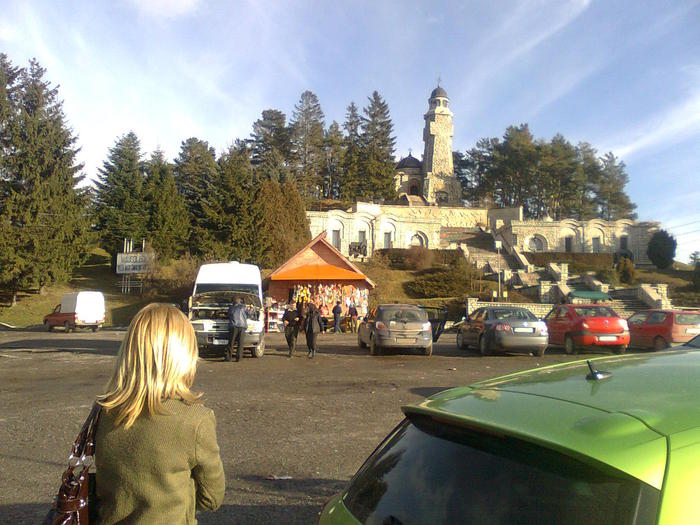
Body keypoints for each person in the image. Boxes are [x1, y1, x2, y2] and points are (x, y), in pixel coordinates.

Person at [95, 303, 225, 524]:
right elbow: (212, 498)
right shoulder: (195, 420)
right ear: (185, 355)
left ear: (130, 351)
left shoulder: (103, 411)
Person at [227, 297, 247, 362]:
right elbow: (250, 314)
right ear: (240, 301)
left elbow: (229, 315)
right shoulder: (244, 307)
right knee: (240, 343)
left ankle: (229, 357)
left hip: (233, 326)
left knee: (231, 343)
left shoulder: (231, 308)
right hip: (242, 326)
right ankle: (239, 358)